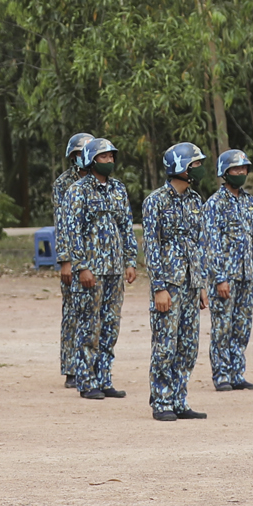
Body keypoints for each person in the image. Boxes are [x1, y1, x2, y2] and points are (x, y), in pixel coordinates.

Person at [67, 139, 143, 405]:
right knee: (89, 325)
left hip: (114, 270)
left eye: (111, 156)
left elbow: (126, 226)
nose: (109, 160)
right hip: (92, 271)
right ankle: (86, 381)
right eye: (103, 156)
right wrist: (81, 266)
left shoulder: (118, 189)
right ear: (91, 160)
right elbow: (72, 231)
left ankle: (104, 378)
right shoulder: (78, 191)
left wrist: (130, 261)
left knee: (111, 325)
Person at [205, 149, 253, 392]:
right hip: (225, 277)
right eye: (235, 169)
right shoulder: (214, 204)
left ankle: (237, 373)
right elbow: (210, 244)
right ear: (224, 172)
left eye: (243, 169)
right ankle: (221, 375)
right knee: (222, 326)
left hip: (246, 275)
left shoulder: (249, 201)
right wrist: (219, 277)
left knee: (242, 326)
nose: (240, 173)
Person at [54, 133, 95, 387]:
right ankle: (71, 366)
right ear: (71, 156)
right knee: (72, 312)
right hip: (73, 256)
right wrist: (65, 260)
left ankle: (92, 365)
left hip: (97, 257)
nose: (82, 157)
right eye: (78, 153)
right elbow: (61, 223)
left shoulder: (101, 182)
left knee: (94, 314)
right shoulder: (64, 183)